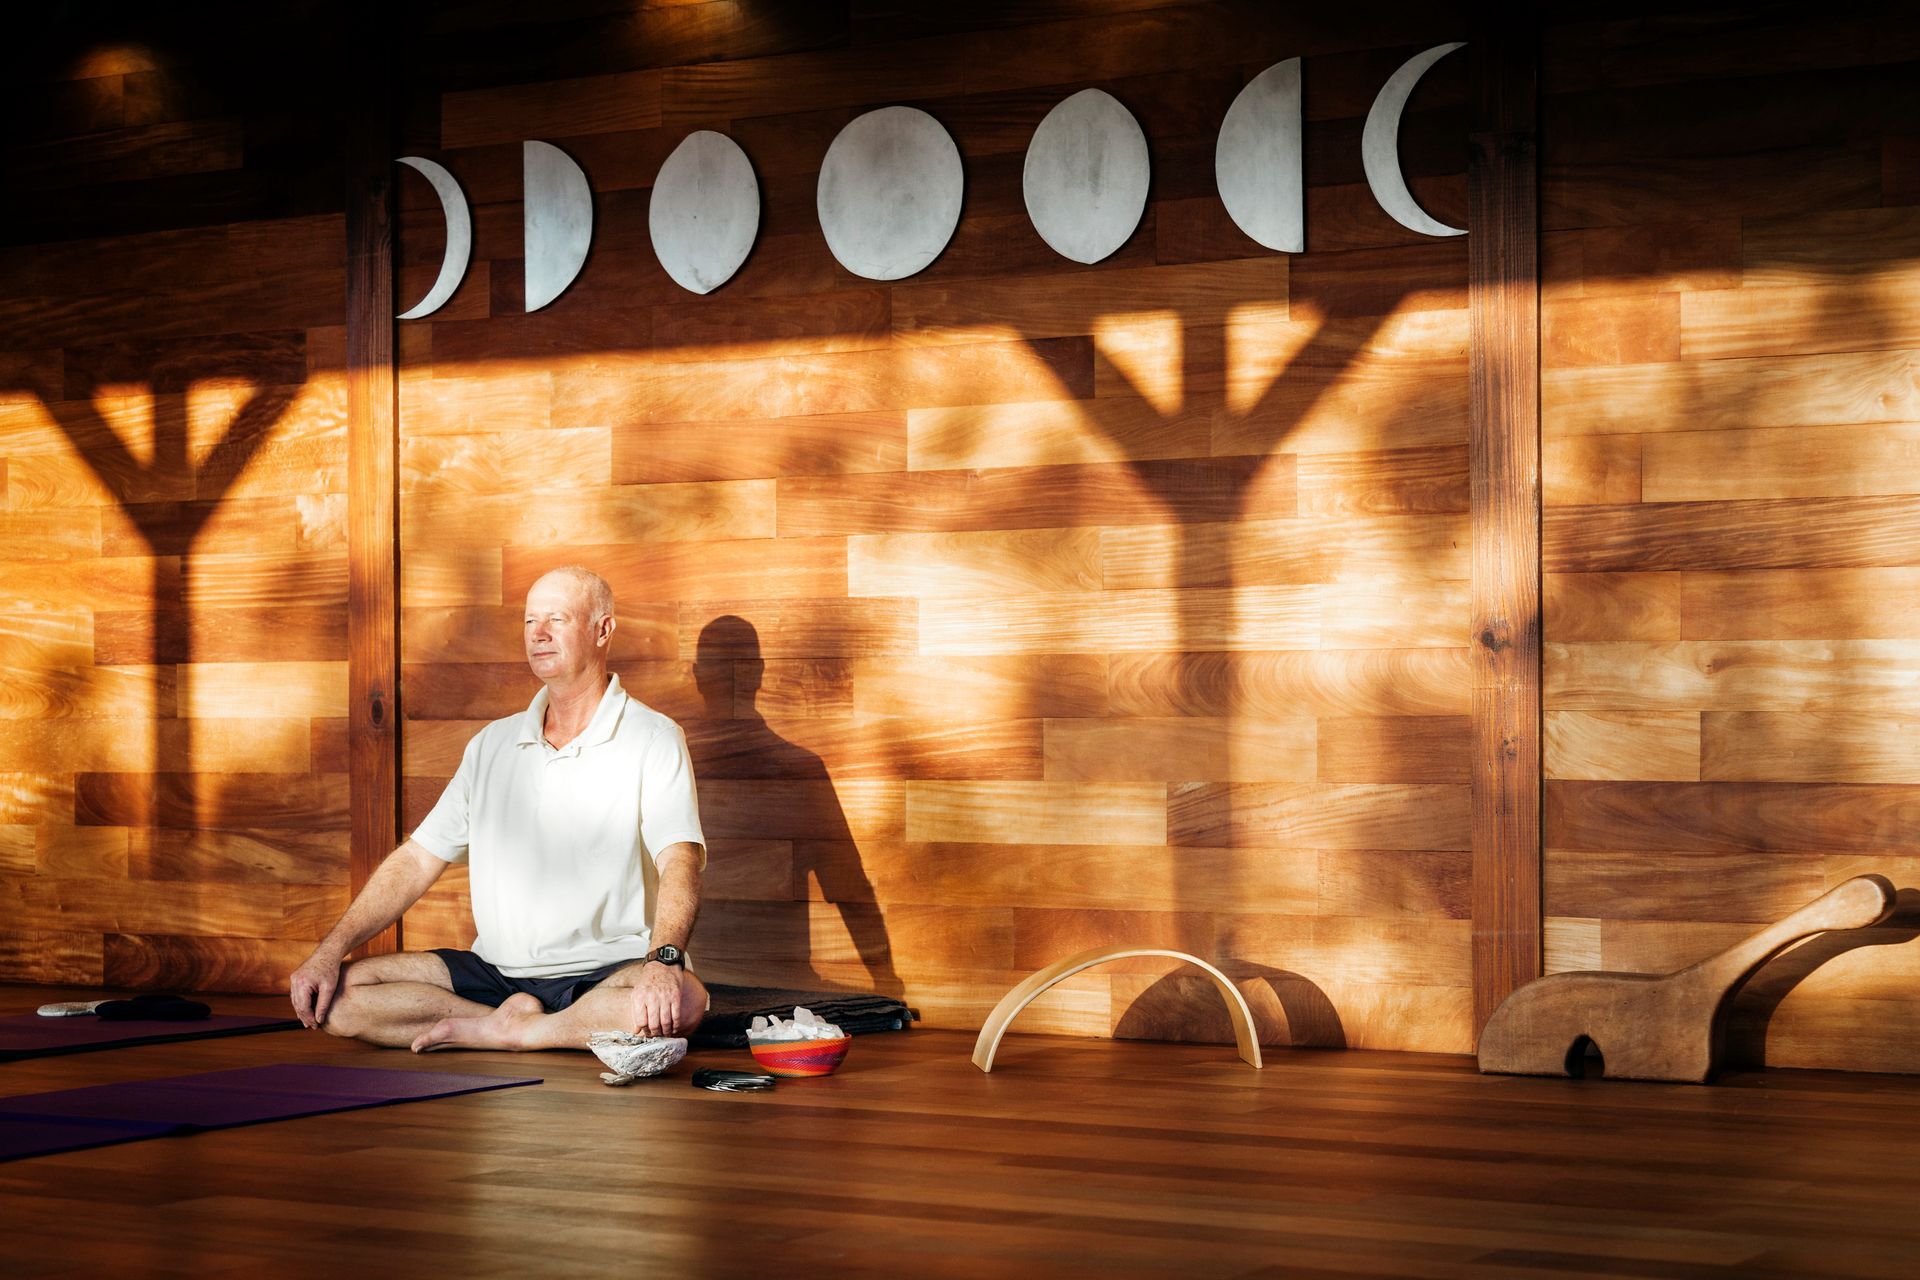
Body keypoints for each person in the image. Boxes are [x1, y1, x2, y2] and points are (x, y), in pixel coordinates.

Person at [288, 565, 709, 1053]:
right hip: (496, 972)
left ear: (603, 629)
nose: (540, 635)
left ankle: (521, 1032)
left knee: (685, 1001)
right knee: (340, 995)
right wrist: (329, 950)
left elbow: (678, 858)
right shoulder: (492, 744)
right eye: (531, 622)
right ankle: (513, 1025)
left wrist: (664, 959)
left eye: (557, 618)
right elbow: (416, 860)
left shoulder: (653, 737)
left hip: (607, 969)